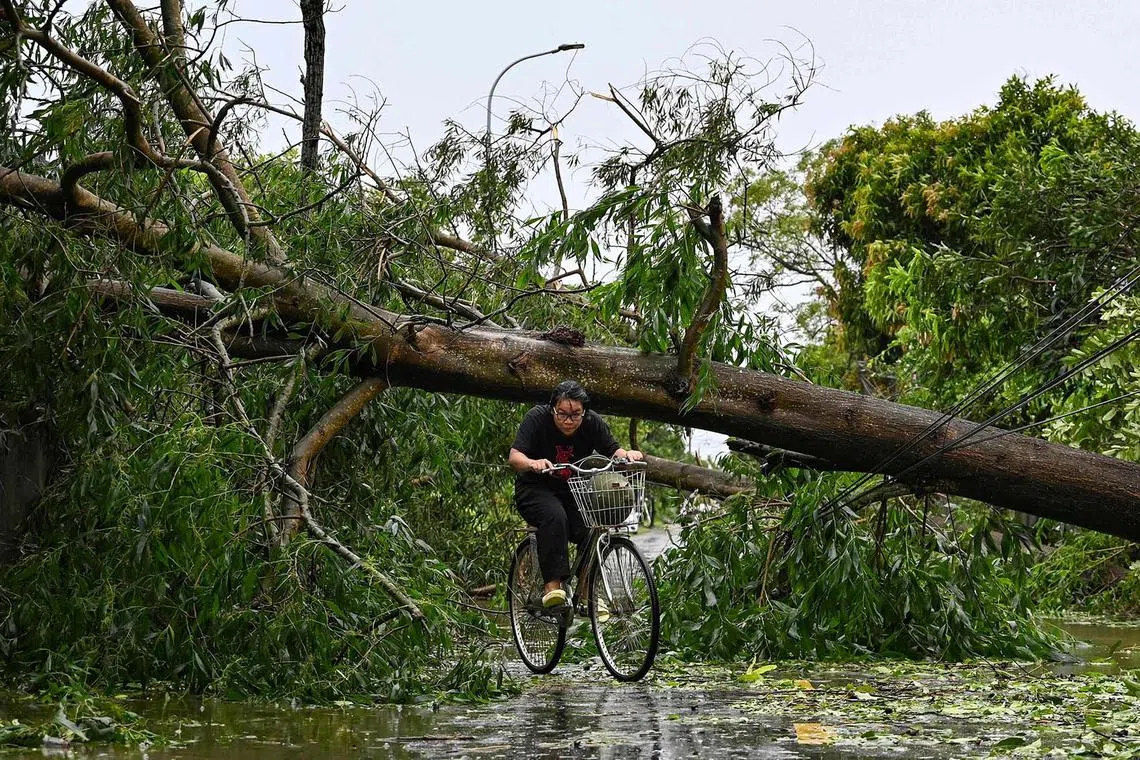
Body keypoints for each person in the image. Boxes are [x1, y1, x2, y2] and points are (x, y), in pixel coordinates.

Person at [508, 380, 644, 608]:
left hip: (572, 491)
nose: (568, 420)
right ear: (553, 408)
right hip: (534, 489)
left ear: (584, 412)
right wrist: (533, 463)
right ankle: (552, 587)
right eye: (562, 414)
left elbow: (612, 449)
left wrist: (627, 454)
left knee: (593, 529)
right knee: (555, 517)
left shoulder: (592, 422)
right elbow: (515, 457)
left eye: (575, 415)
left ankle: (586, 591)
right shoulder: (536, 418)